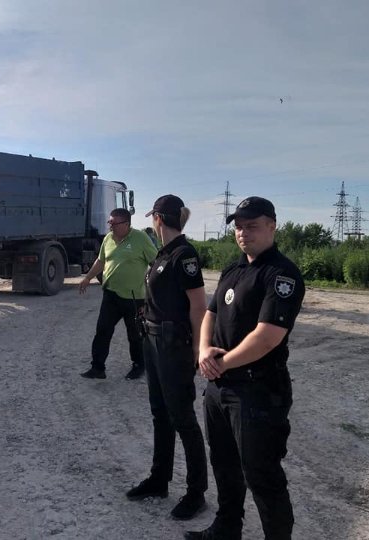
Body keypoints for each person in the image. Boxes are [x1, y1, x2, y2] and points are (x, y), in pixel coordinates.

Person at [186, 197, 305, 540]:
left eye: (252, 226)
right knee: (224, 464)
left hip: (257, 390)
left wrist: (220, 363)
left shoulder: (281, 274)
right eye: (238, 227)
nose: (243, 233)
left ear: (272, 226)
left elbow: (267, 337)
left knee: (261, 474)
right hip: (220, 387)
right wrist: (204, 350)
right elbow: (210, 314)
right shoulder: (234, 269)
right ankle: (227, 528)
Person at [126, 194, 209, 520]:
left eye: (152, 217)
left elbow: (199, 306)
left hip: (173, 346)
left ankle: (196, 492)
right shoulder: (164, 253)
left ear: (158, 218)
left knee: (182, 419)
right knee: (160, 414)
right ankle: (159, 479)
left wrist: (198, 349)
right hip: (153, 341)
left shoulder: (184, 255)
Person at [79, 208, 158, 380]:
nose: (110, 226)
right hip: (111, 295)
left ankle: (138, 365)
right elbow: (101, 261)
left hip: (134, 298)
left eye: (113, 223)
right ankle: (97, 368)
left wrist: (154, 290)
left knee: (135, 335)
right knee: (102, 331)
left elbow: (156, 263)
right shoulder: (108, 238)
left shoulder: (140, 238)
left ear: (126, 224)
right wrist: (88, 278)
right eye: (110, 222)